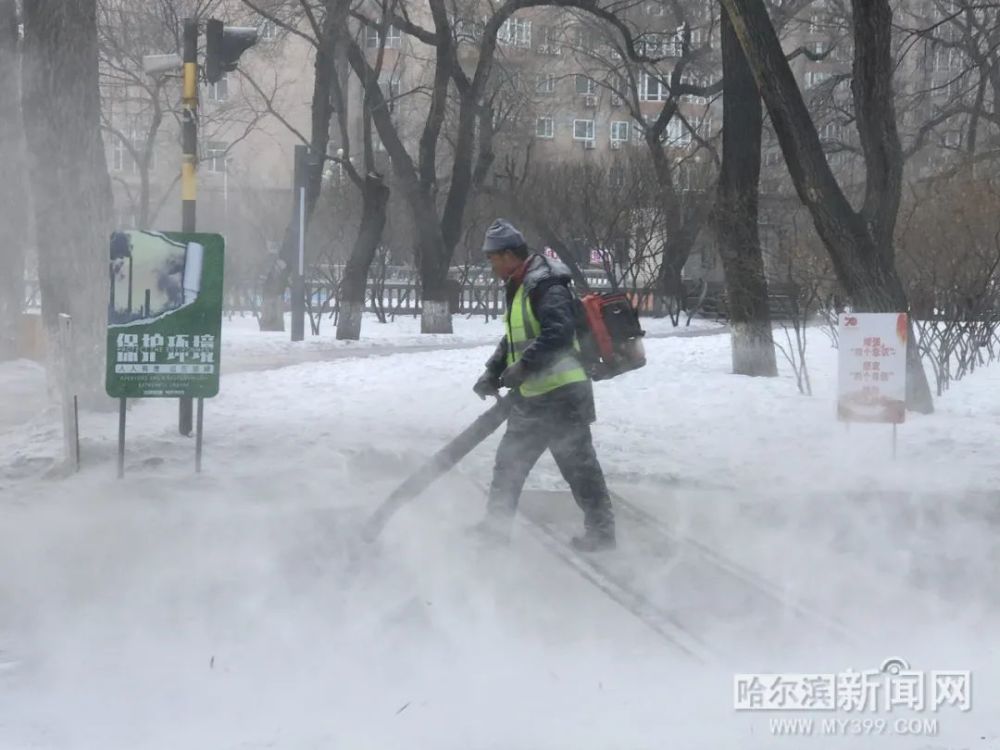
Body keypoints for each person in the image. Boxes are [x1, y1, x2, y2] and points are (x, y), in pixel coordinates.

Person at [471, 219, 616, 552]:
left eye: (492, 258)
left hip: (564, 396)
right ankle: (495, 531)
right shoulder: (521, 284)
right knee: (509, 464)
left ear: (507, 254)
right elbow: (515, 339)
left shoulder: (545, 285)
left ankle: (602, 532)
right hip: (534, 397)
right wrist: (493, 372)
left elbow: (558, 333)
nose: (491, 265)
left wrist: (524, 365)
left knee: (578, 468)